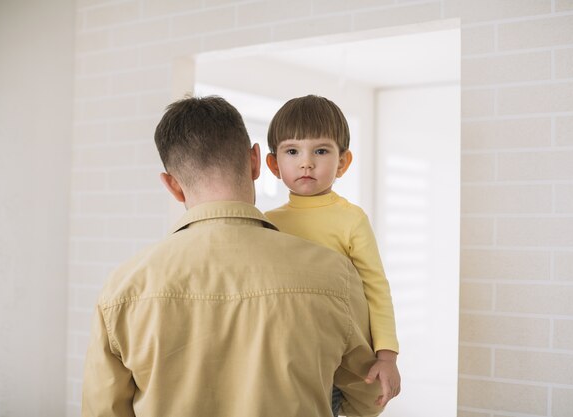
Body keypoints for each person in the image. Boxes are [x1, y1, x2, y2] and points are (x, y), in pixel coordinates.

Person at [81, 95, 384, 417]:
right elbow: (368, 396)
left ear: (172, 185)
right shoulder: (333, 272)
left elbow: (103, 412)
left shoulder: (124, 287)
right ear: (256, 161)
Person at [264, 95, 401, 416]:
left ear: (342, 162)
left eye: (321, 151)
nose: (306, 162)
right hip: (289, 356)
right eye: (292, 151)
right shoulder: (267, 223)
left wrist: (387, 357)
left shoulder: (351, 219)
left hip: (341, 358)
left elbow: (376, 289)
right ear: (273, 164)